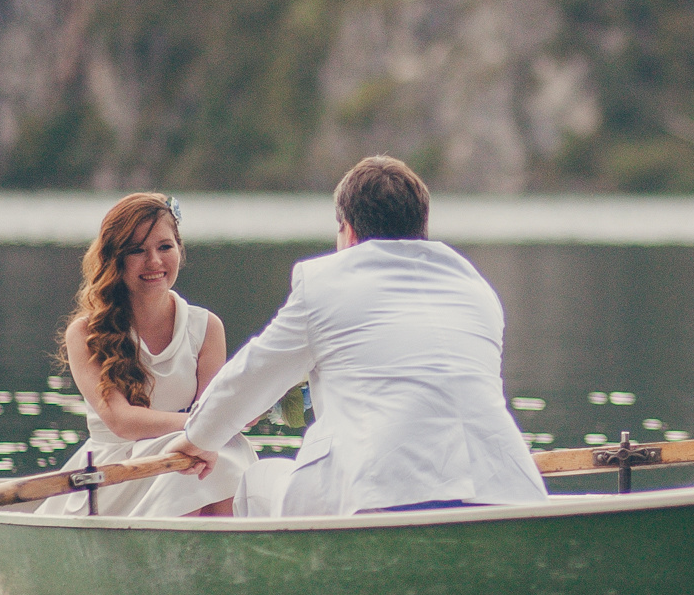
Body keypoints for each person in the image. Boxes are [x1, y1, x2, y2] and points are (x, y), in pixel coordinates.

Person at [174, 156, 547, 516]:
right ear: (421, 226)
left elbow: (251, 376)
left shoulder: (325, 285)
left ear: (348, 231)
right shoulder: (476, 290)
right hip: (508, 491)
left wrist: (198, 439)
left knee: (255, 480)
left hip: (380, 494)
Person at [35, 191, 256, 518]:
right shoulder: (84, 334)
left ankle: (223, 556)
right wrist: (211, 423)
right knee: (200, 453)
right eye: (137, 251)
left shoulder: (206, 327)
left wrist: (226, 418)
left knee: (223, 451)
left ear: (179, 250)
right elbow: (122, 421)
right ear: (115, 259)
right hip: (116, 475)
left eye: (165, 247)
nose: (154, 262)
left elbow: (211, 410)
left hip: (186, 459)